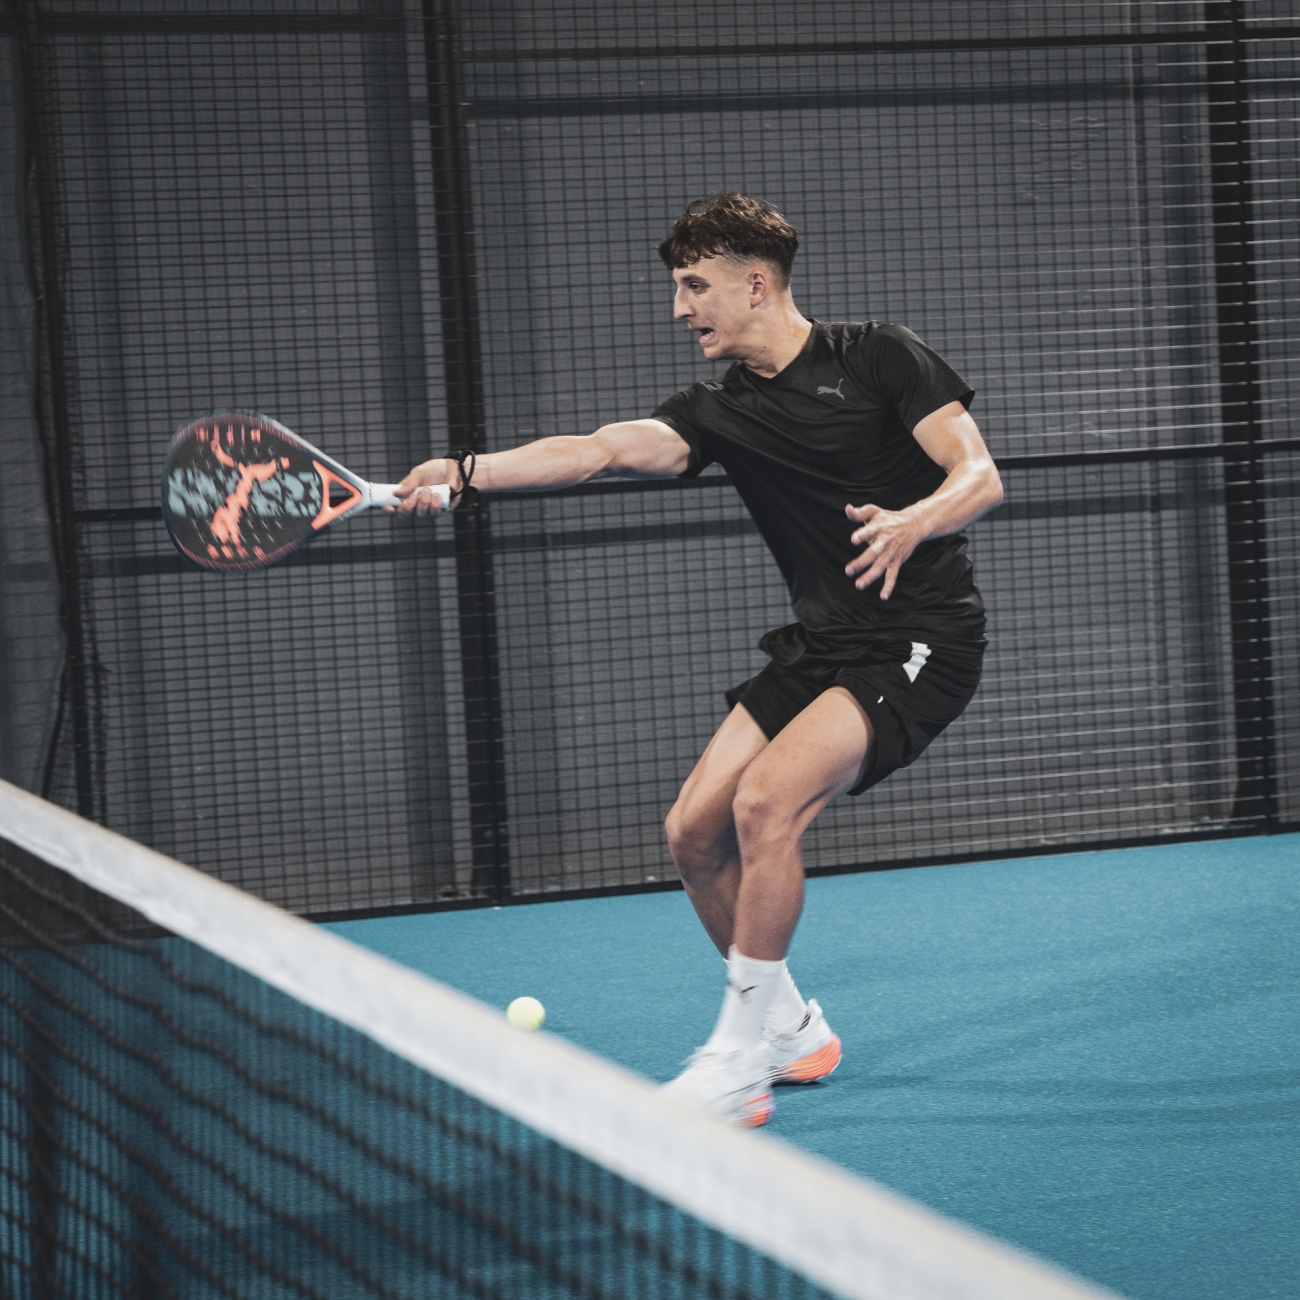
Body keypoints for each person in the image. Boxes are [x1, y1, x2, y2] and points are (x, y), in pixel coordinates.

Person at [393, 193, 1003, 1127]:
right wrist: (466, 472)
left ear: (755, 284)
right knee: (692, 833)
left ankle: (738, 1061)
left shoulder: (878, 355)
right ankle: (790, 1030)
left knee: (765, 804)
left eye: (694, 285)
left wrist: (913, 521)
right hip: (823, 645)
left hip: (922, 638)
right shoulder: (718, 411)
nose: (680, 308)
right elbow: (596, 451)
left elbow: (979, 474)